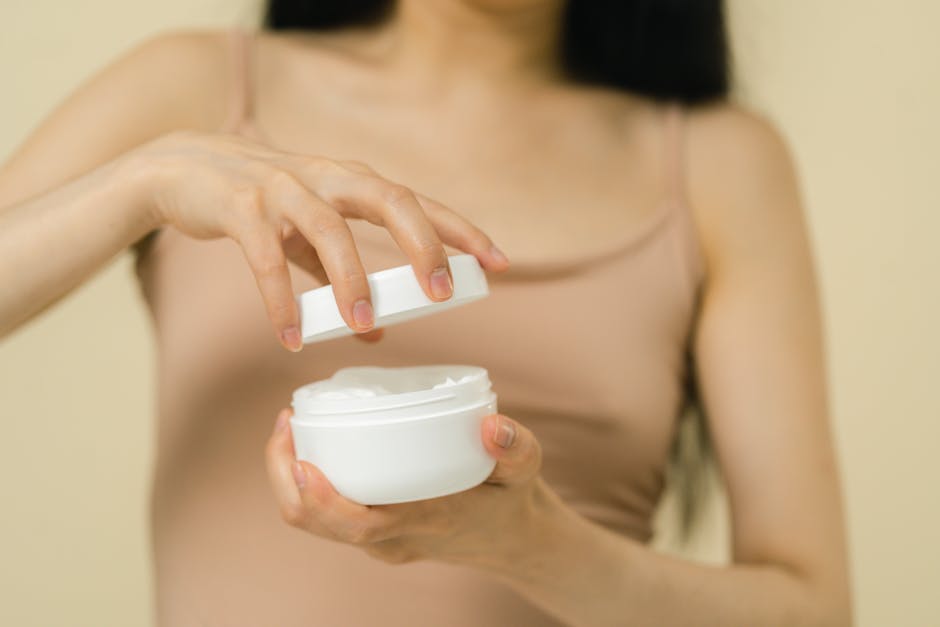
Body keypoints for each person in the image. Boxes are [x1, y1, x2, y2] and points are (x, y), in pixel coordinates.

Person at [0, 1, 853, 625]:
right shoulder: (193, 89)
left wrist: (531, 543)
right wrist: (137, 181)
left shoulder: (720, 165)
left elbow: (811, 608)